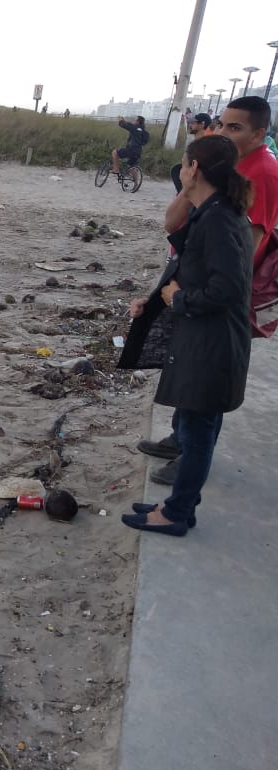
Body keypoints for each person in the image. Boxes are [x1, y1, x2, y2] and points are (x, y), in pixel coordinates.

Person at [118, 135, 254, 536]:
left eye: (184, 161)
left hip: (212, 345)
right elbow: (188, 267)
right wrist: (154, 299)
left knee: (197, 434)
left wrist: (178, 299)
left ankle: (176, 514)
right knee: (199, 428)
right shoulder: (210, 210)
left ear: (194, 169)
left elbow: (227, 289)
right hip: (206, 339)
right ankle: (178, 504)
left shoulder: (220, 218)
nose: (181, 166)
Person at [143, 96, 278, 484]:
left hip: (215, 296)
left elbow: (246, 248)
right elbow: (175, 224)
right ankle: (178, 439)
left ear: (260, 133)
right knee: (189, 373)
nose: (224, 133)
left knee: (206, 383)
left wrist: (195, 295)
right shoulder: (220, 165)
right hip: (194, 280)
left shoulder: (263, 174)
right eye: (222, 124)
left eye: (235, 128)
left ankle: (189, 461)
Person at [171, 112, 212, 191]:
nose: (190, 125)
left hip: (196, 176)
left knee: (176, 170)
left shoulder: (205, 143)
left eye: (193, 123)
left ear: (202, 124)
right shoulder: (195, 141)